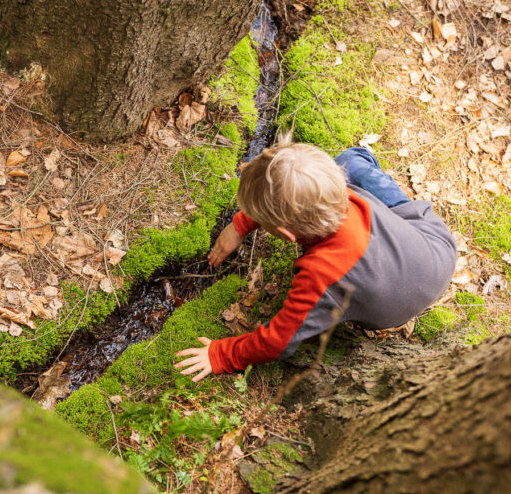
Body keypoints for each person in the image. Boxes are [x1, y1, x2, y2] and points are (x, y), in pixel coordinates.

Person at [174, 138, 457, 382]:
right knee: (350, 161)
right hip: (434, 257)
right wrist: (240, 225)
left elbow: (278, 342)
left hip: (422, 255)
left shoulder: (321, 276)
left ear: (285, 233)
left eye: (260, 219)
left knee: (347, 163)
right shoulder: (336, 195)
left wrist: (221, 355)